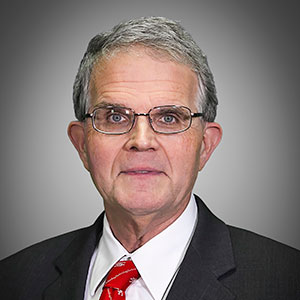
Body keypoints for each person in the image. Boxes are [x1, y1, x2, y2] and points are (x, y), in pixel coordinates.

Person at [0, 16, 299, 300]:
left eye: (169, 118)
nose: (141, 142)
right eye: (115, 117)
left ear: (205, 146)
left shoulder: (286, 279)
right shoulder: (13, 278)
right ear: (82, 145)